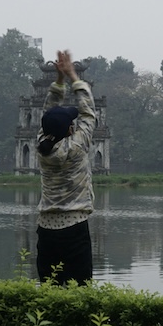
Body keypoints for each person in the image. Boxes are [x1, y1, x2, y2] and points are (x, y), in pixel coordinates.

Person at [35, 49, 97, 285]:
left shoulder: (42, 147)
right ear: (70, 129)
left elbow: (47, 112)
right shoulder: (76, 147)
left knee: (49, 285)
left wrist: (58, 80)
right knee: (79, 288)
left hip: (46, 228)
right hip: (74, 225)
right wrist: (72, 76)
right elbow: (88, 113)